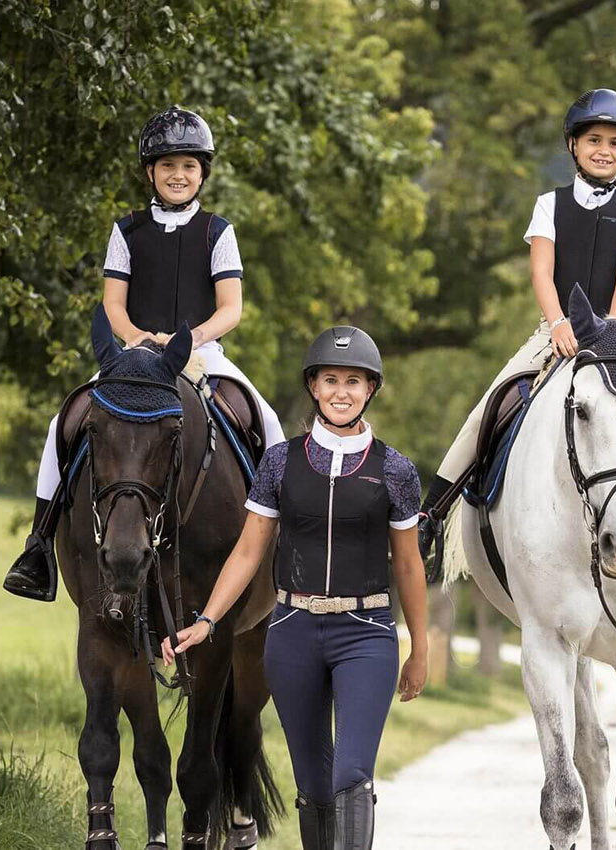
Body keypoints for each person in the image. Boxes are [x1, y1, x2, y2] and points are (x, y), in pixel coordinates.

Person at [416, 87, 616, 564]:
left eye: (615, 143)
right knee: (488, 407)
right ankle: (432, 515)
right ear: (573, 147)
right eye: (594, 140)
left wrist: (613, 332)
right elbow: (541, 271)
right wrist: (559, 321)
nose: (604, 150)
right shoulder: (549, 204)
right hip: (554, 334)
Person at [162, 326, 429, 850]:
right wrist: (208, 619)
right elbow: (247, 550)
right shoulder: (280, 462)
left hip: (366, 634)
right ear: (313, 386)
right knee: (312, 783)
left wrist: (420, 648)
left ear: (371, 388)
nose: (341, 391)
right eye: (331, 379)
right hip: (292, 634)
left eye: (354, 381)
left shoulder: (396, 471)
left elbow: (408, 565)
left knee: (351, 774)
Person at [5, 106, 287, 601]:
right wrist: (139, 339)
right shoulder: (127, 231)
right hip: (133, 355)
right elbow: (113, 303)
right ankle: (38, 546)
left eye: (189, 166)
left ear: (202, 173)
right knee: (61, 424)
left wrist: (187, 341)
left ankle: (285, 551)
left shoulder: (218, 232)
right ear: (150, 172)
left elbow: (231, 308)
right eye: (168, 166)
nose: (179, 175)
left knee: (267, 421)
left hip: (201, 354)